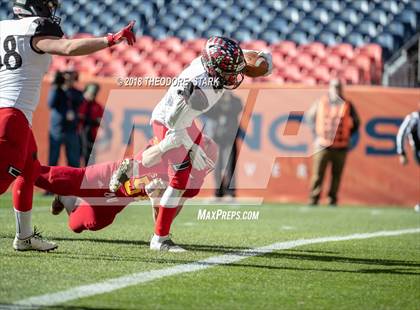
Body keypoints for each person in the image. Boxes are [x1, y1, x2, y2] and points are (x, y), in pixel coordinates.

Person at [113, 36, 272, 251]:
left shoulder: (216, 61)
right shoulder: (197, 89)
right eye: (228, 71)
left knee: (195, 179)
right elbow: (174, 123)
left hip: (185, 120)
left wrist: (264, 61)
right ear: (214, 69)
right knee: (180, 180)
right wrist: (192, 148)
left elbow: (249, 57)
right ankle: (160, 239)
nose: (234, 75)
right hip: (170, 122)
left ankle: (134, 167)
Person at [0, 0, 136, 251]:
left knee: (30, 171)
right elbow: (69, 47)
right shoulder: (33, 29)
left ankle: (25, 236)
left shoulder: (3, 28)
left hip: (14, 114)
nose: (50, 11)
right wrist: (109, 39)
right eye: (47, 5)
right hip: (11, 117)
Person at [34, 132, 218, 249]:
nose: (202, 169)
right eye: (202, 162)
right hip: (108, 176)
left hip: (121, 198)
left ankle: (65, 198)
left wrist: (156, 200)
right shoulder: (171, 152)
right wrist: (165, 147)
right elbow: (142, 159)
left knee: (83, 225)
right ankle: (21, 167)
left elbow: (162, 220)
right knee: (46, 178)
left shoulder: (192, 183)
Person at [306, 79, 360, 206]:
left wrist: (348, 135)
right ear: (329, 88)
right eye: (334, 87)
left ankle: (332, 199)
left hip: (340, 146)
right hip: (322, 145)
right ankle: (314, 199)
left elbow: (357, 123)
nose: (336, 89)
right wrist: (316, 136)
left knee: (336, 176)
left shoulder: (348, 104)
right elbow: (309, 118)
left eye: (338, 87)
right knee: (318, 174)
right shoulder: (320, 102)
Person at [204, 91, 243, 201]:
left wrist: (227, 102)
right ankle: (218, 192)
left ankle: (231, 192)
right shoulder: (212, 98)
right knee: (216, 166)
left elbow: (237, 108)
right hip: (215, 137)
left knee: (229, 165)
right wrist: (219, 102)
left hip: (229, 137)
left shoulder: (235, 100)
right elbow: (207, 111)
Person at [48, 70, 83, 168]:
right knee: (53, 160)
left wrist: (68, 90)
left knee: (74, 162)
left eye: (71, 78)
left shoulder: (77, 92)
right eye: (66, 78)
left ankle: (73, 182)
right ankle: (51, 182)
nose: (69, 80)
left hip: (71, 131)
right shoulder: (56, 91)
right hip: (56, 130)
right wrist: (56, 86)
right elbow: (50, 103)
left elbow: (80, 100)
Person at [78, 83, 104, 166]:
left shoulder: (98, 106)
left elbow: (101, 121)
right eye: (91, 93)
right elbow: (78, 117)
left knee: (90, 159)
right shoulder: (79, 103)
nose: (92, 95)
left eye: (94, 93)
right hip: (78, 135)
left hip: (91, 136)